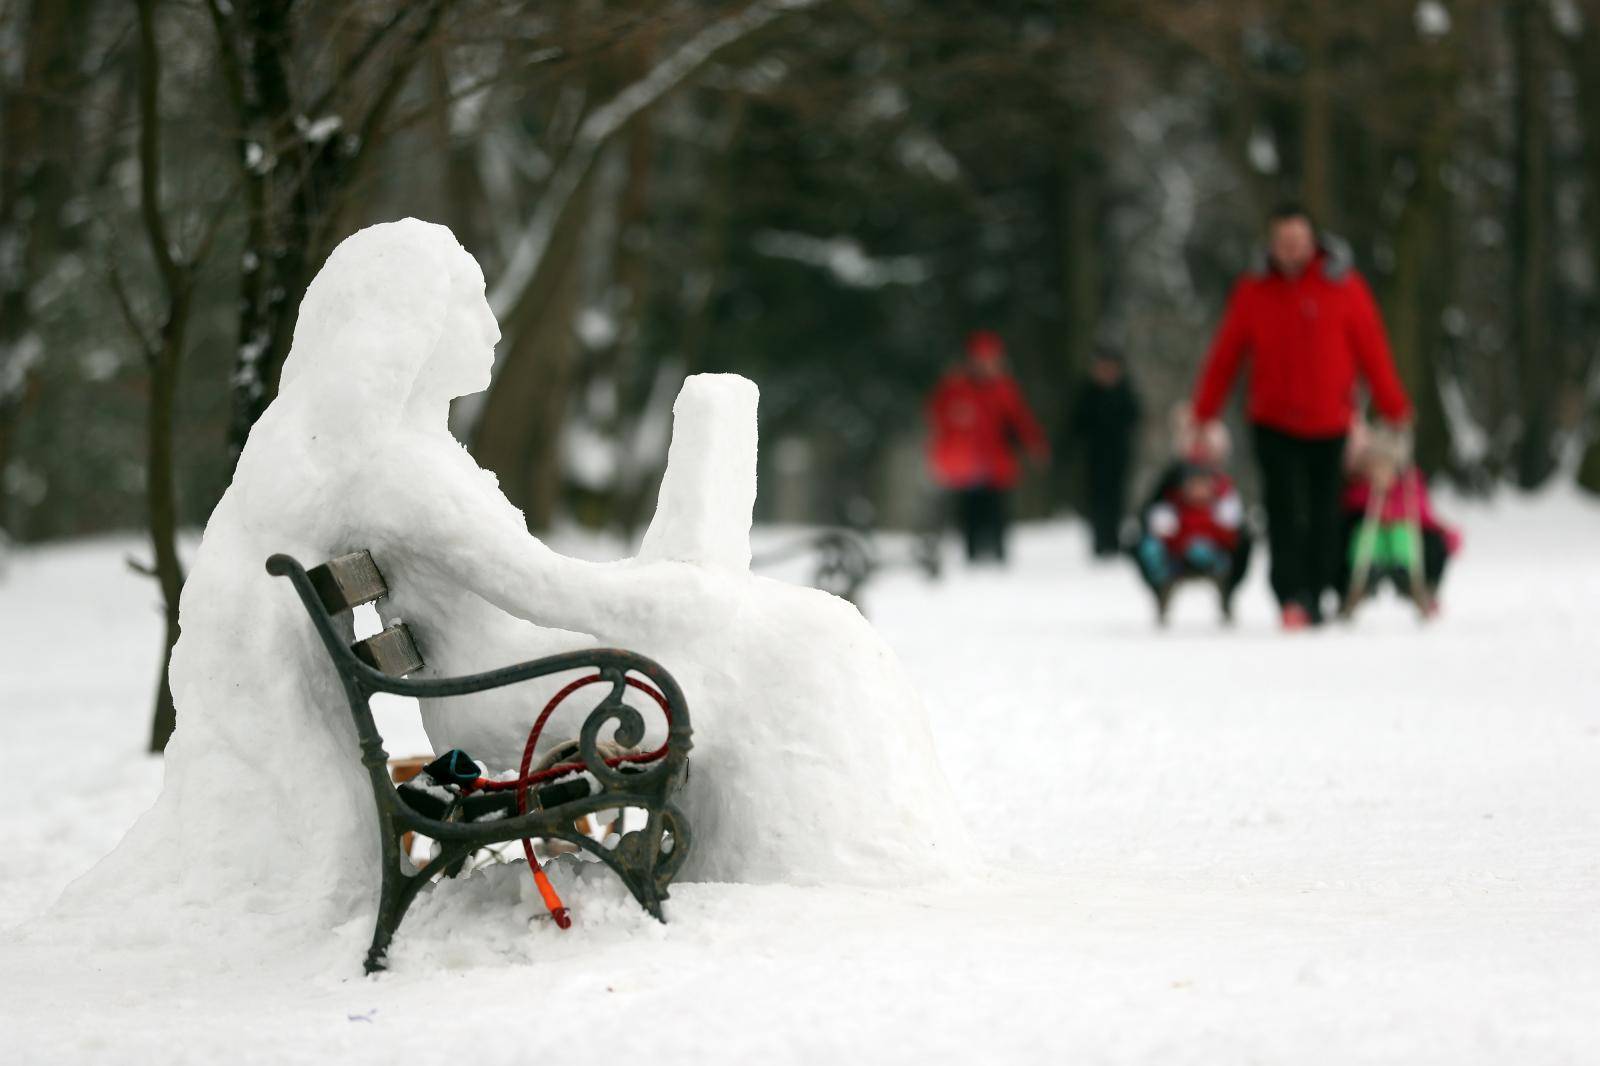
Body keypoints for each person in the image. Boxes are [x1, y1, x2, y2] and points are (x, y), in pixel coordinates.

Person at [1190, 203, 1411, 629]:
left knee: (1326, 510)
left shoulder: (1344, 287)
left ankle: (1322, 588)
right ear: (1271, 245)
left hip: (1330, 422)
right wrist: (1204, 412)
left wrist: (1394, 406)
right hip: (1272, 421)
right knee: (1284, 509)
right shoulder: (1253, 290)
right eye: (1283, 242)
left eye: (1298, 242)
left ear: (1313, 243)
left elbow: (1373, 350)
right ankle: (1290, 595)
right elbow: (1226, 355)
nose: (1291, 251)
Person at [926, 330, 1049, 563]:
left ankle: (999, 555)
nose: (987, 365)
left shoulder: (1004, 389)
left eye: (992, 360)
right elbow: (937, 417)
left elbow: (1021, 421)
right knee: (971, 513)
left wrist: (1034, 445)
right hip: (967, 465)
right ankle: (972, 556)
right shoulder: (955, 387)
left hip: (997, 463)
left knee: (997, 511)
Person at [1132, 417, 1252, 624]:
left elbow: (1233, 525)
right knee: (1142, 545)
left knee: (1245, 538)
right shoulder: (1170, 486)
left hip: (1214, 552)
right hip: (1177, 554)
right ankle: (1160, 590)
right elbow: (1153, 519)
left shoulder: (1223, 489)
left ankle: (1228, 593)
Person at [1337, 422, 1460, 615]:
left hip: (1400, 545)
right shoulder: (1362, 488)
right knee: (1363, 535)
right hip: (1372, 546)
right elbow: (1351, 505)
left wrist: (1444, 532)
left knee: (1403, 533)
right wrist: (1374, 491)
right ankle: (1364, 577)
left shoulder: (1408, 488)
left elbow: (1424, 515)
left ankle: (1407, 576)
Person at [1070, 347, 1142, 557]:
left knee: (1116, 499)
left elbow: (1134, 417)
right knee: (1096, 500)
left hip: (1118, 456)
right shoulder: (1088, 393)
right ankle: (1100, 540)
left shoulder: (1124, 392)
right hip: (1095, 457)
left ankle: (1114, 539)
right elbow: (1077, 424)